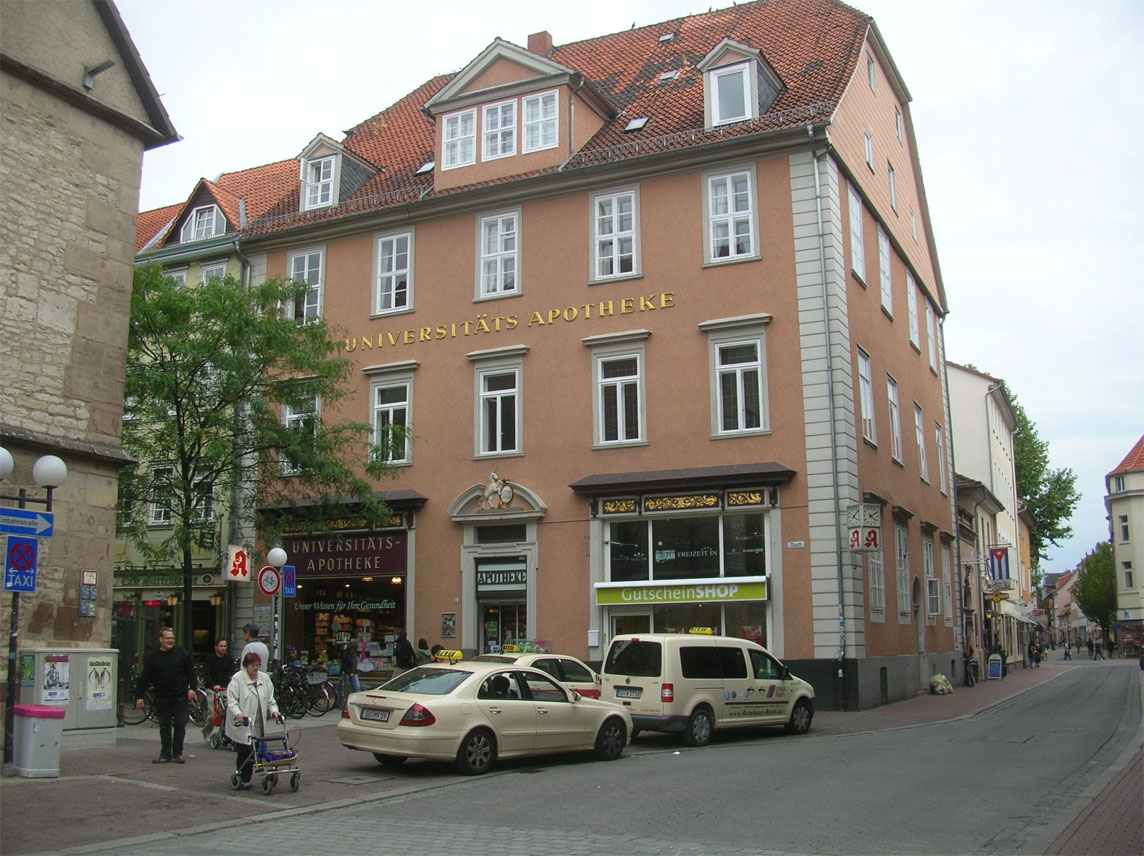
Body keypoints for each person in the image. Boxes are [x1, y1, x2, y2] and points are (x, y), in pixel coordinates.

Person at [135, 627, 196, 764]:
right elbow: (144, 677)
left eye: (172, 638)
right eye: (167, 638)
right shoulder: (153, 657)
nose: (170, 641)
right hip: (162, 697)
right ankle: (165, 753)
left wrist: (193, 688)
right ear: (160, 639)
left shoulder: (181, 653)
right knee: (164, 726)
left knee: (180, 725)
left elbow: (191, 672)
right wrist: (140, 696)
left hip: (180, 696)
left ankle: (178, 753)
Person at [225, 652, 281, 790]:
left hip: (258, 721)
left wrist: (274, 711)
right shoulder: (238, 679)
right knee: (245, 750)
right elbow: (232, 700)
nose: (255, 668)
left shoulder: (264, 678)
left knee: (258, 748)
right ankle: (244, 777)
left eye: (257, 665)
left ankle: (263, 772)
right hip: (243, 721)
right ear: (246, 665)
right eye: (253, 665)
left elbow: (270, 699)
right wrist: (238, 714)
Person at [201, 638, 236, 738]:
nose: (223, 648)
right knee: (213, 713)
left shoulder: (229, 659)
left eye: (225, 646)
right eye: (221, 646)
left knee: (227, 711)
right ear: (216, 647)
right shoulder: (210, 659)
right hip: (212, 689)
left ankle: (226, 733)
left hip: (225, 689)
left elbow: (232, 673)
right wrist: (213, 685)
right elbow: (207, 674)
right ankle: (207, 732)